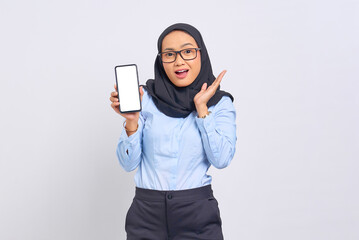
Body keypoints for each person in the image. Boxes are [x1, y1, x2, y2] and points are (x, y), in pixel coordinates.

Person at [109, 23, 237, 240]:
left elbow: (222, 159)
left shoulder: (219, 103)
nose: (179, 61)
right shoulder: (146, 99)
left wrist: (202, 110)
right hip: (146, 213)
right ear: (161, 60)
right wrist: (132, 121)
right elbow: (128, 164)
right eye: (169, 54)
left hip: (196, 213)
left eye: (187, 51)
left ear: (201, 54)